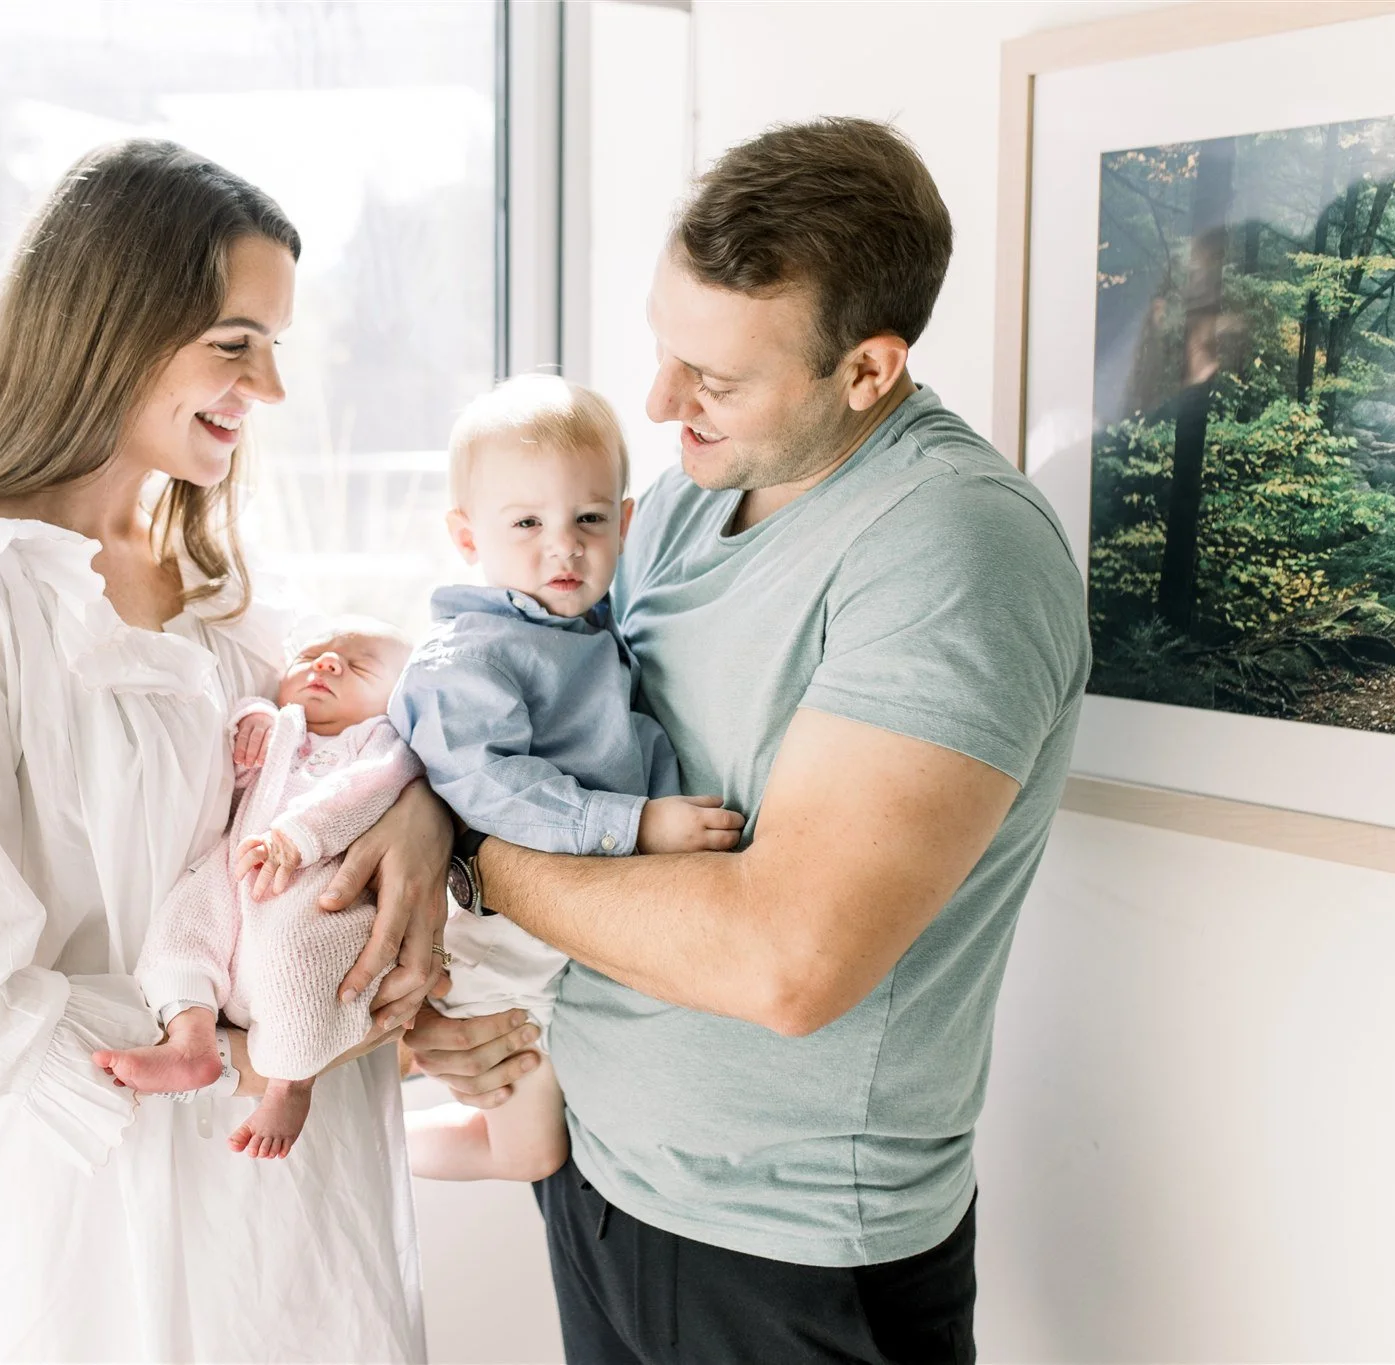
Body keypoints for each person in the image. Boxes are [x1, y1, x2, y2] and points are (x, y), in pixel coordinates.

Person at [405, 117, 1092, 1363]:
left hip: (782, 1249)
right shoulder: (680, 499)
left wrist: (473, 851)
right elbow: (528, 690)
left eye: (710, 379)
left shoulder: (949, 551)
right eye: (666, 354)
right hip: (604, 1173)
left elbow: (787, 963)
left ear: (867, 371)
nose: (662, 403)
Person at [0, 139, 449, 1364]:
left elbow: (308, 818)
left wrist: (411, 833)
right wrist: (269, 1029)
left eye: (275, 346)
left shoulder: (228, 604)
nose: (266, 387)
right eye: (233, 341)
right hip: (64, 1224)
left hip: (274, 1220)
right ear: (112, 325)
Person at [387, 374, 741, 1182]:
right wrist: (635, 824)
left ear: (623, 522)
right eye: (527, 523)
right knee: (533, 1150)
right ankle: (371, 1155)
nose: (564, 545)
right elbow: (487, 787)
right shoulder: (470, 654)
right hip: (501, 948)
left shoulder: (587, 629)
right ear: (468, 536)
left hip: (572, 942)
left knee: (556, 1123)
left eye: (588, 518)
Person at [98, 623, 420, 1160]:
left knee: (298, 963)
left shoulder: (379, 740)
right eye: (313, 655)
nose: (327, 665)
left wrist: (301, 836)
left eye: (358, 666)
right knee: (181, 926)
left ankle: (290, 1084)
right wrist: (253, 721)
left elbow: (367, 789)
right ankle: (192, 1040)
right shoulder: (284, 721)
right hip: (236, 867)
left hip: (315, 877)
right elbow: (239, 758)